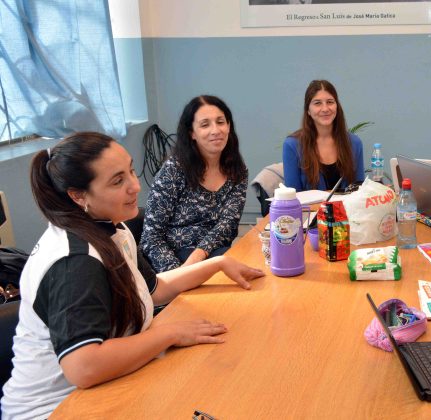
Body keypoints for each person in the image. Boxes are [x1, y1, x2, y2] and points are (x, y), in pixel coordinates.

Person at [1, 133, 264, 419]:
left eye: (131, 170)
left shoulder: (112, 228)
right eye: (117, 181)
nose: (135, 186)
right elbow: (84, 367)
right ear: (78, 196)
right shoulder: (75, 261)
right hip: (58, 409)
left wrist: (216, 264)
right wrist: (170, 333)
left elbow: (153, 290)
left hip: (105, 387)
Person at [141, 95, 248, 273]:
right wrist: (180, 274)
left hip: (213, 252)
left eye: (220, 122)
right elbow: (151, 237)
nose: (216, 130)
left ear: (229, 126)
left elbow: (228, 224)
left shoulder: (237, 169)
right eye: (205, 124)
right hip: (172, 256)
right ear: (192, 133)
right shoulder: (173, 170)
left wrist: (199, 255)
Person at [283, 80, 364, 192]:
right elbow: (292, 196)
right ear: (308, 110)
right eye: (317, 103)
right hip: (309, 210)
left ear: (337, 107)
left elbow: (359, 190)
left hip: (347, 209)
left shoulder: (354, 143)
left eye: (330, 102)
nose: (325, 109)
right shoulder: (292, 145)